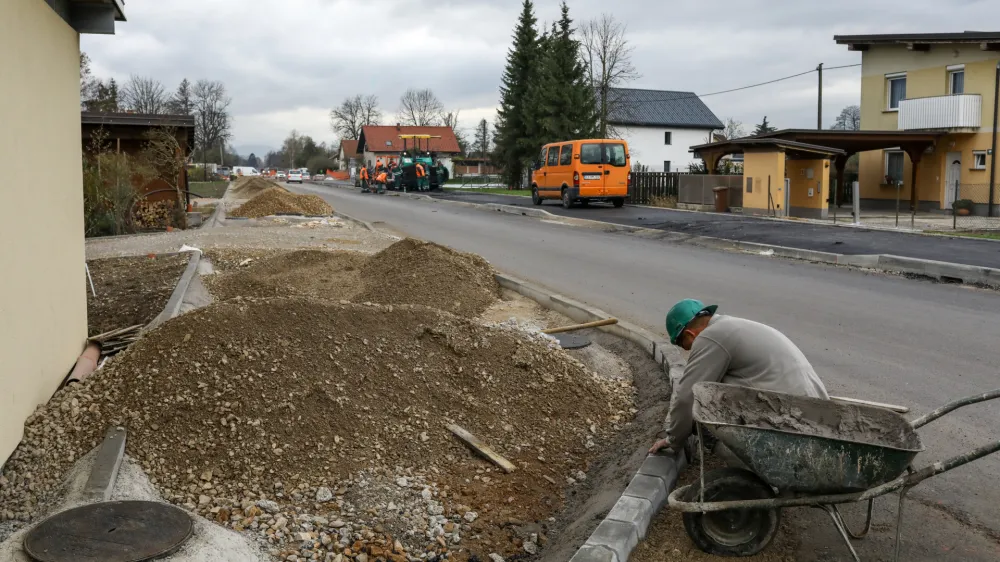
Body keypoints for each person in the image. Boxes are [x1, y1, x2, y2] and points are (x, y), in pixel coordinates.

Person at [649, 299, 829, 455]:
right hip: (816, 411)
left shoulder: (710, 337)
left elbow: (686, 397)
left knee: (702, 417)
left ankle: (752, 470)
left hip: (790, 420)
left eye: (684, 345)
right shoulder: (730, 325)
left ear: (689, 334)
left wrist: (673, 439)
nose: (687, 350)